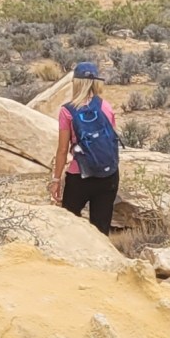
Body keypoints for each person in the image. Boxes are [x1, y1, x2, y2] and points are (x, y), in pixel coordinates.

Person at [48, 61, 120, 236]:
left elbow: (62, 150)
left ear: (75, 83)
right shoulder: (106, 107)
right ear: (96, 82)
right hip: (108, 175)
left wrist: (56, 180)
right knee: (101, 229)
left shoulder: (67, 111)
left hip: (79, 176)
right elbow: (112, 140)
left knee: (69, 226)